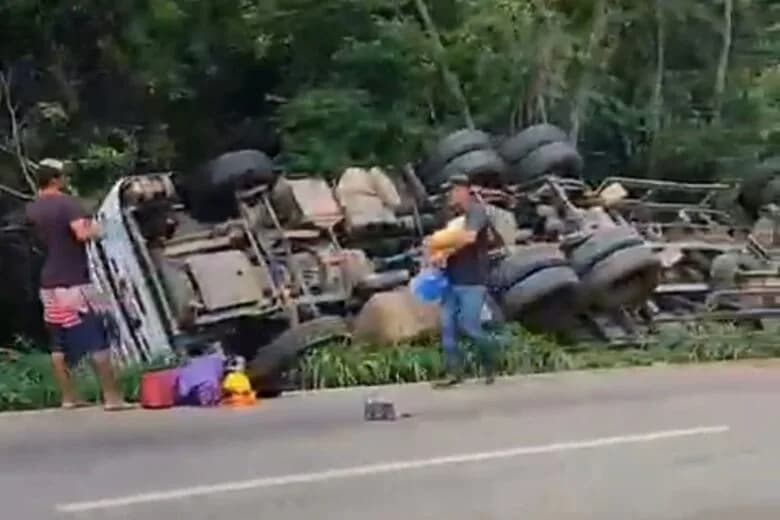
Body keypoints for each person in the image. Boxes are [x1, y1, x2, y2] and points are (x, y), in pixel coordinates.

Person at [25, 161, 131, 411]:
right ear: (55, 179)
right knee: (97, 336)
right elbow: (82, 234)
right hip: (74, 282)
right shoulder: (66, 203)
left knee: (58, 343)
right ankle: (112, 398)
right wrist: (98, 228)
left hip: (48, 284)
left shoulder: (31, 209)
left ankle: (69, 398)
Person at [433, 174, 501, 387]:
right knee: (447, 327)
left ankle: (491, 358)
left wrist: (447, 250)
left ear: (464, 191)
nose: (449, 196)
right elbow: (440, 241)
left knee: (469, 327)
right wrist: (436, 255)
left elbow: (470, 238)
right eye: (447, 192)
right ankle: (454, 373)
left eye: (453, 191)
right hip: (451, 280)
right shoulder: (449, 216)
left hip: (473, 280)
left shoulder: (476, 212)